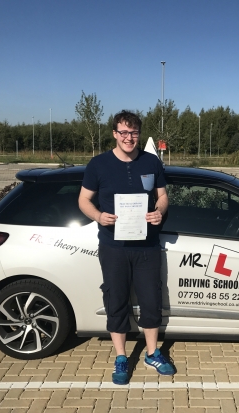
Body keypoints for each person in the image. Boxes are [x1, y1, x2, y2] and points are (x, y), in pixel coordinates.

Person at [78, 110, 174, 385]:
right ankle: (121, 357)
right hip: (114, 247)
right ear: (114, 134)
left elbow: (163, 196)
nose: (128, 138)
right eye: (123, 132)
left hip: (147, 246)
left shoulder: (151, 162)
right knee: (116, 300)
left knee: (152, 300)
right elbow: (83, 200)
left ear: (139, 134)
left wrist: (159, 212)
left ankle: (153, 353)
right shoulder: (98, 165)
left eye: (133, 133)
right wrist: (98, 216)